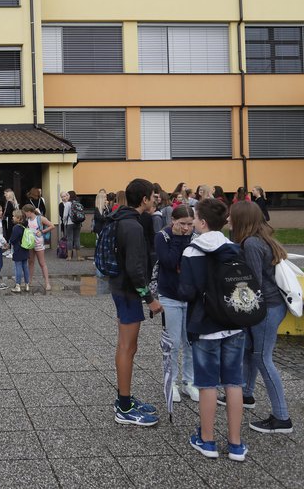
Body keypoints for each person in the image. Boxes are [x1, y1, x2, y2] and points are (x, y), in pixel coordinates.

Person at [177, 198, 248, 461]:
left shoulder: (192, 251)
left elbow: (187, 291)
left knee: (207, 385)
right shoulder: (235, 248)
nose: (193, 221)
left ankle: (207, 440)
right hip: (233, 322)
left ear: (203, 223)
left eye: (195, 217)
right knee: (233, 382)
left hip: (204, 324)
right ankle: (236, 445)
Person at [229, 200, 293, 435]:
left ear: (241, 220)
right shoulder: (259, 239)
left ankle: (282, 417)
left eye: (231, 217)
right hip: (269, 305)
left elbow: (251, 281)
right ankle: (245, 394)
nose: (228, 220)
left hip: (267, 307)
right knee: (251, 352)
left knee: (263, 358)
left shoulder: (252, 244)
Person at [109, 178, 162, 427]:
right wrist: (149, 298)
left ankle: (125, 398)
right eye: (153, 195)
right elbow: (134, 268)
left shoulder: (124, 219)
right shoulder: (133, 226)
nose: (156, 199)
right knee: (128, 348)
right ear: (144, 199)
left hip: (122, 289)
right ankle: (124, 406)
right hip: (128, 292)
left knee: (126, 346)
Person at [154, 205, 199, 404]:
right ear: (173, 220)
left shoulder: (195, 237)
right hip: (170, 295)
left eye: (190, 224)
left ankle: (189, 381)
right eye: (182, 224)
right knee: (172, 342)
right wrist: (179, 240)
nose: (187, 228)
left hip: (190, 297)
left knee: (190, 342)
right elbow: (170, 262)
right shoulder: (162, 237)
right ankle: (170, 382)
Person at [24, 204, 55, 291]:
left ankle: (47, 283)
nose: (25, 214)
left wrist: (42, 231)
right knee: (30, 262)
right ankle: (29, 281)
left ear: (30, 212)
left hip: (38, 243)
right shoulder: (27, 219)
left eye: (25, 212)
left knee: (42, 263)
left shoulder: (40, 218)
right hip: (30, 243)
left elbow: (52, 226)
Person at [9, 209, 30, 293]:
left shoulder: (16, 227)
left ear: (18, 218)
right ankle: (27, 285)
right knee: (25, 267)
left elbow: (13, 239)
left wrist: (9, 241)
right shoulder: (25, 226)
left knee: (18, 267)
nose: (12, 217)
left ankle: (18, 285)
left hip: (18, 249)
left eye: (14, 216)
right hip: (25, 249)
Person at [61, 191, 82, 261]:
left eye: (67, 195)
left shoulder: (67, 204)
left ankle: (69, 257)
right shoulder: (78, 203)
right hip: (78, 223)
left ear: (70, 196)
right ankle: (79, 256)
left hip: (70, 223)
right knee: (77, 239)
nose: (66, 196)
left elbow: (65, 215)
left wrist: (64, 222)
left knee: (70, 239)